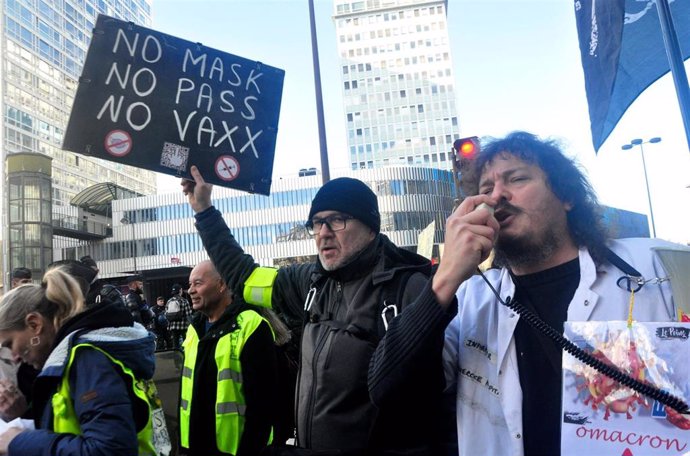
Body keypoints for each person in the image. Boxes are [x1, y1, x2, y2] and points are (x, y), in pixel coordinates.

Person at [384, 131, 683, 456]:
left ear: (566, 196)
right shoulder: (472, 299)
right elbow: (389, 393)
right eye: (486, 189)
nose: (496, 196)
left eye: (517, 178)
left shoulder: (658, 266)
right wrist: (444, 279)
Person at [182, 166, 455, 455]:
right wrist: (203, 209)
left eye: (337, 220)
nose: (323, 233)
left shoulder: (408, 289)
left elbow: (438, 411)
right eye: (316, 223)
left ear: (371, 226)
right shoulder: (310, 283)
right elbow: (244, 278)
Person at [0, 265, 157, 455]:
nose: (14, 357)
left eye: (10, 344)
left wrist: (19, 442)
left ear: (35, 325)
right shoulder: (74, 360)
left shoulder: (88, 361)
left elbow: (110, 450)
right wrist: (24, 417)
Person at [179, 259, 285, 456]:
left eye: (198, 283)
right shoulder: (194, 330)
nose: (190, 290)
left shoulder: (252, 327)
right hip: (194, 447)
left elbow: (264, 404)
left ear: (222, 285)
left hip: (237, 451)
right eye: (189, 284)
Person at [166, 284, 193, 350]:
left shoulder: (169, 301)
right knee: (186, 344)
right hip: (183, 326)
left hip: (173, 327)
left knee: (175, 345)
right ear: (180, 290)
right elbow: (188, 314)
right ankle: (184, 358)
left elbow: (166, 314)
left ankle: (176, 359)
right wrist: (191, 326)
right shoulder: (184, 301)